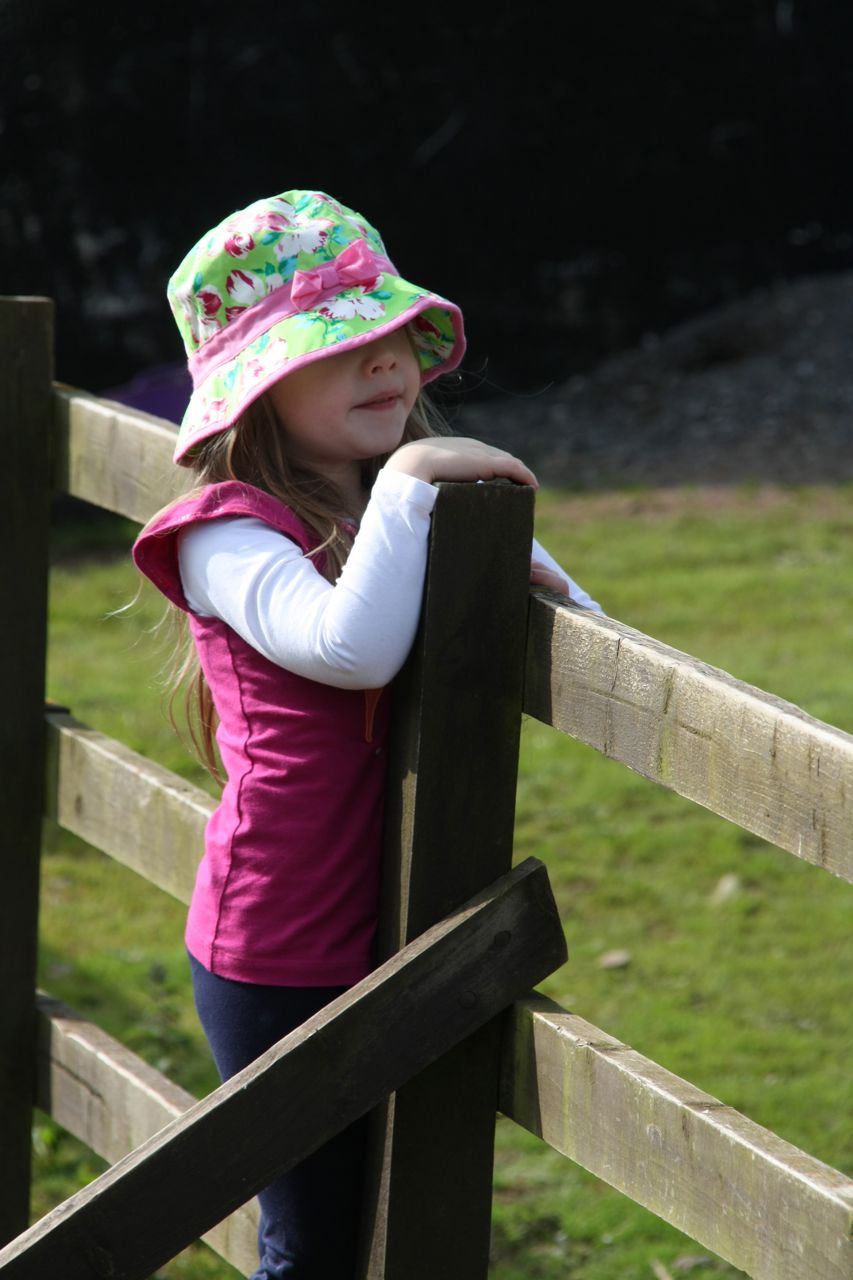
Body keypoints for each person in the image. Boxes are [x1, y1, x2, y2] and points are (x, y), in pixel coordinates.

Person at [132, 188, 600, 1279]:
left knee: (388, 1224)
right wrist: (413, 480)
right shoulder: (226, 533)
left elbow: (572, 618)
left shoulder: (381, 515)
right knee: (313, 1252)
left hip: (393, 928)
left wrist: (536, 578)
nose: (383, 360)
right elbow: (349, 651)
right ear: (258, 387)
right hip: (280, 944)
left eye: (389, 333)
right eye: (338, 345)